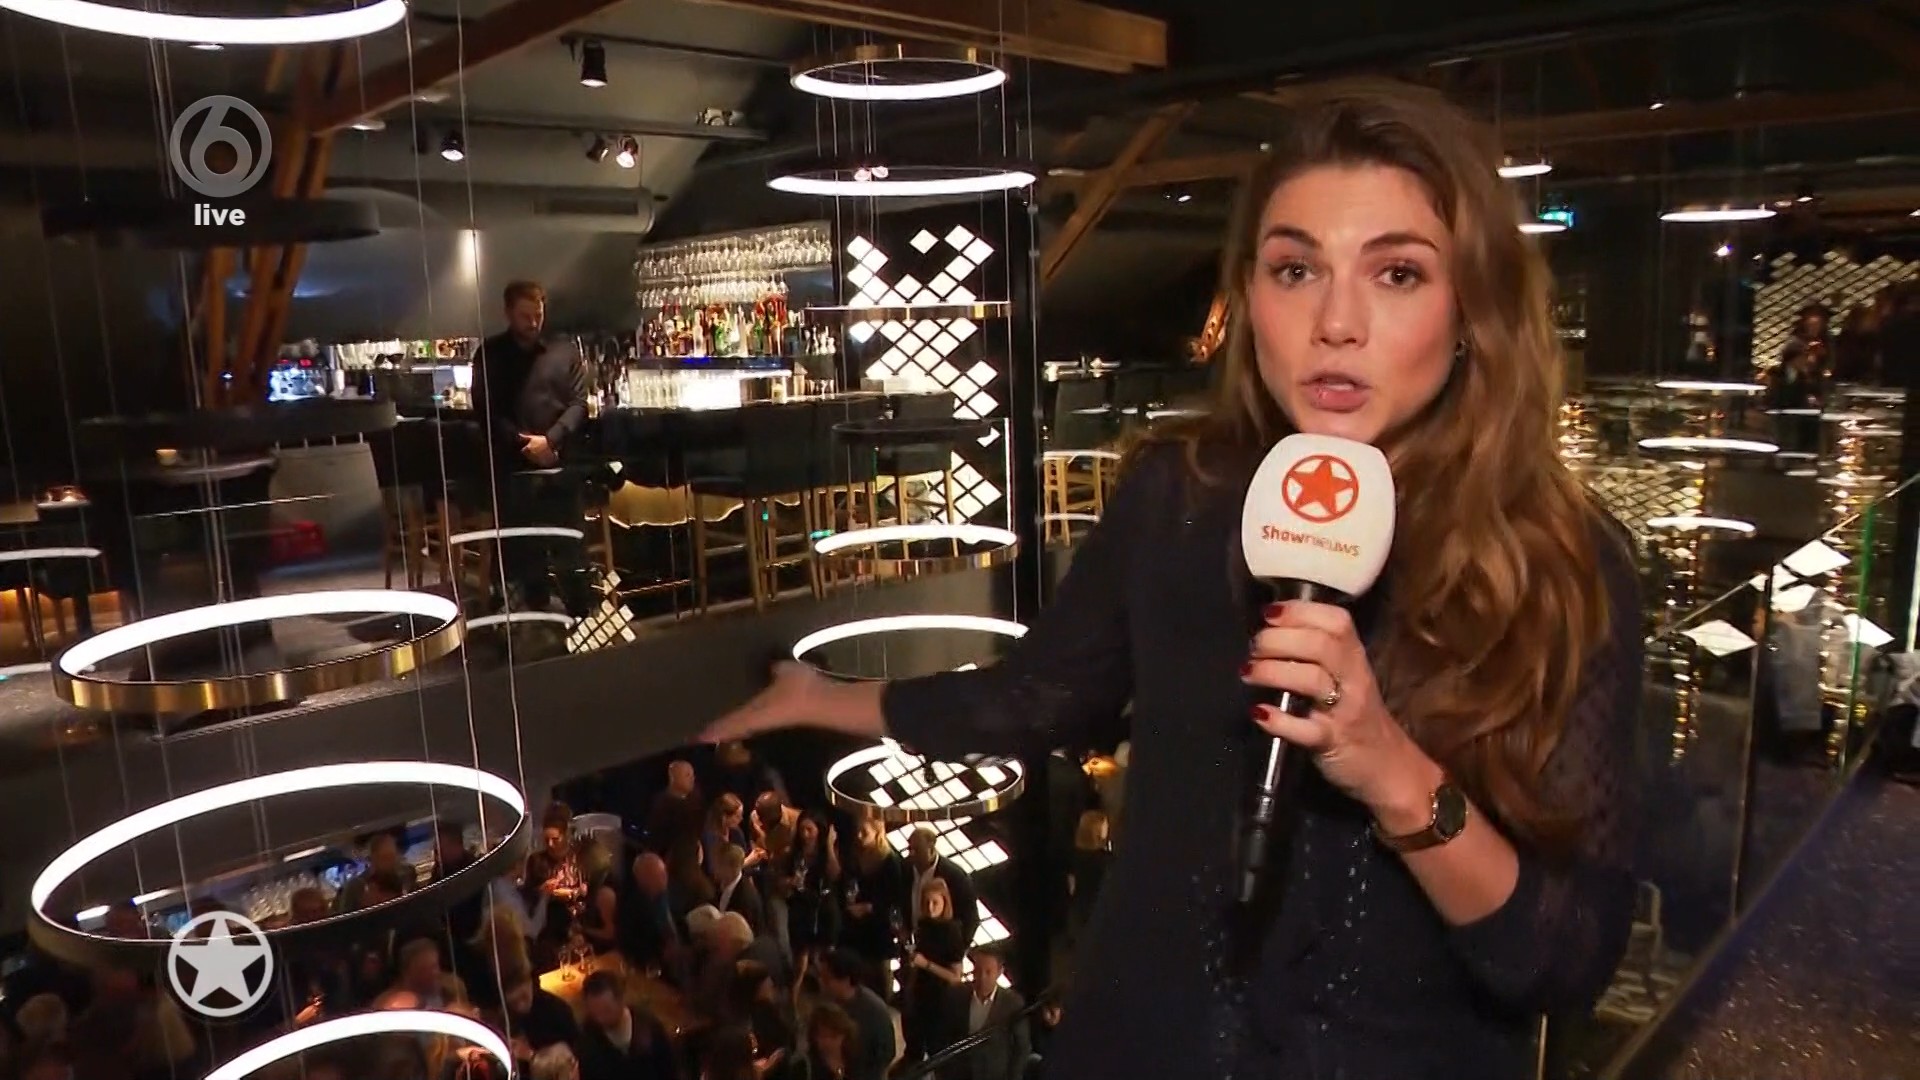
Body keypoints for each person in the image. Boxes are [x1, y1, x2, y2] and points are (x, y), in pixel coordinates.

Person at [703, 79, 1641, 1080]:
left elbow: (1563, 961)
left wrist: (1390, 769)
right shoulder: (1178, 499)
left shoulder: (1564, 566)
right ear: (1249, 297)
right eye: (1295, 269)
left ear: (1471, 309)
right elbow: (1039, 695)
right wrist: (828, 699)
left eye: (1398, 273)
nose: (1336, 321)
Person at [468, 279, 593, 616]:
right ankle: (524, 614)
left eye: (538, 314)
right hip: (512, 467)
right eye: (525, 316)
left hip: (559, 462)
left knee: (569, 544)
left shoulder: (564, 350)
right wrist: (526, 444)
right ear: (508, 313)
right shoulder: (490, 354)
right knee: (519, 549)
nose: (534, 322)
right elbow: (486, 409)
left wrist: (551, 439)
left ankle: (578, 612)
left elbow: (579, 403)